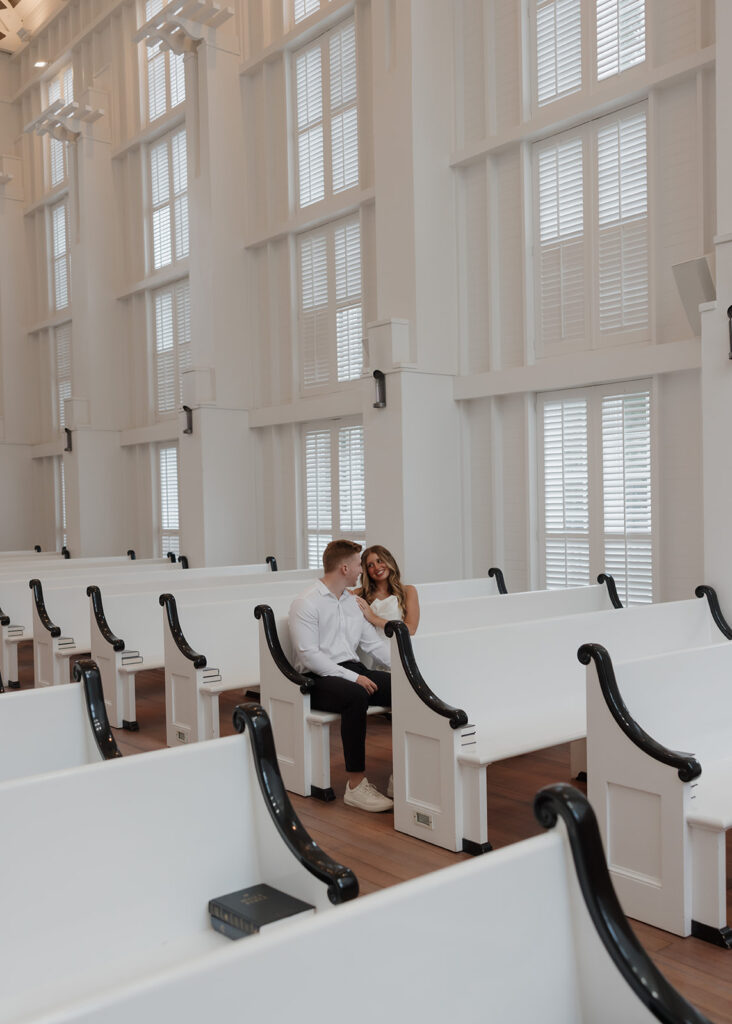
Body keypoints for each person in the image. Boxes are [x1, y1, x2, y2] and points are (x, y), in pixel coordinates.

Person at [289, 539, 393, 813]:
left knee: (401, 689)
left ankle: (400, 776)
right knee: (356, 696)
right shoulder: (306, 603)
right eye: (360, 564)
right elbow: (309, 656)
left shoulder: (353, 602)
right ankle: (356, 786)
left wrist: (408, 670)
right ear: (345, 567)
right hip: (317, 678)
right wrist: (352, 677)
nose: (362, 570)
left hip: (351, 670)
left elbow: (373, 645)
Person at [354, 545, 420, 637]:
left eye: (379, 561)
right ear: (366, 571)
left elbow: (411, 629)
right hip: (369, 649)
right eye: (370, 565)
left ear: (389, 561)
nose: (377, 568)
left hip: (396, 649)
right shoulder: (360, 594)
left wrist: (373, 618)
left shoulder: (408, 591)